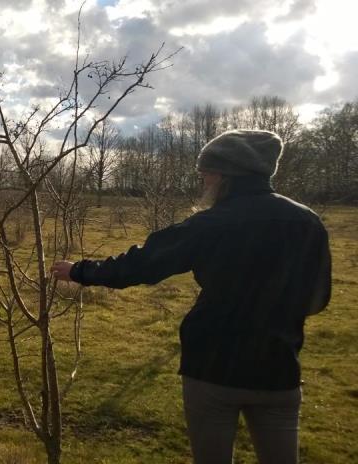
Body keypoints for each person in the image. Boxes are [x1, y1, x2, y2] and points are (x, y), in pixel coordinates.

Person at [51, 129, 331, 464]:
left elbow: (143, 264)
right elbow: (318, 299)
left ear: (224, 175)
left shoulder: (212, 223)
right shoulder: (308, 222)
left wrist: (80, 271)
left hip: (213, 370)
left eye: (206, 173)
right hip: (279, 371)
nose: (203, 181)